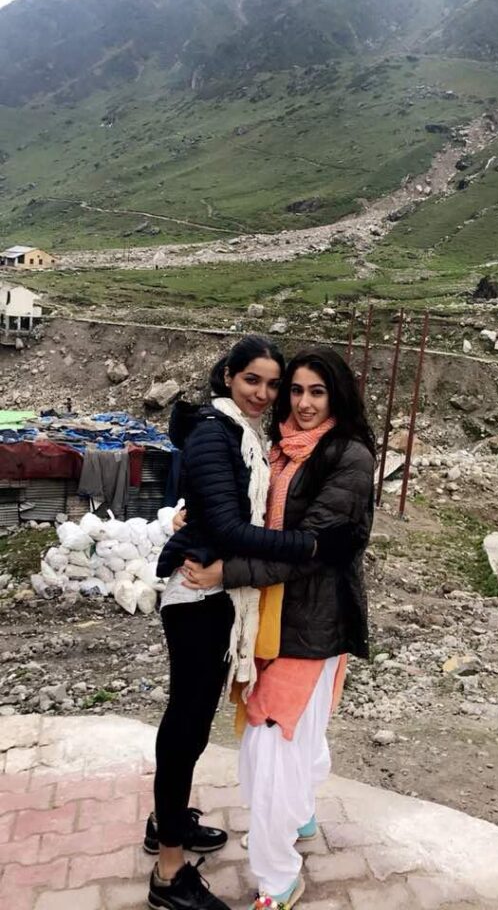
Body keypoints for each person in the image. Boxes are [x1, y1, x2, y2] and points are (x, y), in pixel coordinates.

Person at [147, 336, 355, 910]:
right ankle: (168, 869)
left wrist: (194, 517)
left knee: (191, 720)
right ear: (228, 377)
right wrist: (311, 543)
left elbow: (220, 507)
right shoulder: (217, 432)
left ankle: (168, 821)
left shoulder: (245, 432)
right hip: (200, 595)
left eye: (273, 384)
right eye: (253, 381)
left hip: (220, 595)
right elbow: (231, 530)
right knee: (187, 722)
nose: (265, 394)